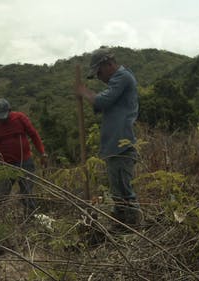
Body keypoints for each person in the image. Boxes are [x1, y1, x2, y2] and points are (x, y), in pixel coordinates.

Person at [73, 47, 141, 229]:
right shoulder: (116, 82)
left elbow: (102, 101)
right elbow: (102, 105)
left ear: (109, 64)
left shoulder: (123, 77)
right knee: (117, 190)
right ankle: (121, 225)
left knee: (124, 190)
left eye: (99, 72)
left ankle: (132, 227)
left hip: (122, 143)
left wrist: (85, 92)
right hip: (114, 144)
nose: (99, 77)